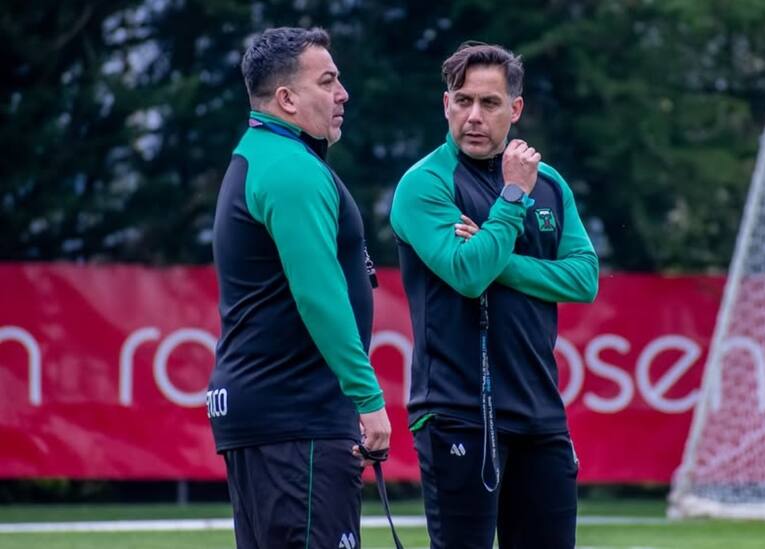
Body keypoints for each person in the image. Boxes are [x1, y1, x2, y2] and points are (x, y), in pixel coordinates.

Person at [390, 41, 599, 548]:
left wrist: (495, 256)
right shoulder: (424, 184)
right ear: (446, 104)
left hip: (540, 410)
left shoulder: (548, 183)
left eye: (489, 103)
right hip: (457, 411)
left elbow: (583, 278)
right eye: (463, 101)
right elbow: (467, 274)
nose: (474, 116)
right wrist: (510, 199)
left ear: (516, 109)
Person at [208, 26, 391, 549]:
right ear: (286, 99)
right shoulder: (291, 169)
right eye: (328, 82)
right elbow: (319, 294)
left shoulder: (263, 155)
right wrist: (367, 397)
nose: (343, 94)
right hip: (297, 419)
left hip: (274, 416)